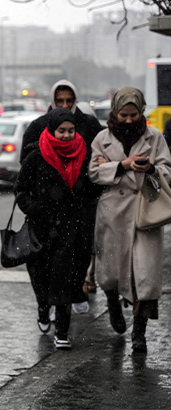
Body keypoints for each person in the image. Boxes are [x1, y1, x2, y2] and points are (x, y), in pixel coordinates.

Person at [89, 86, 171, 353]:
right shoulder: (102, 137)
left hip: (145, 213)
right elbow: (93, 173)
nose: (127, 120)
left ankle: (140, 333)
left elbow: (166, 170)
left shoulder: (155, 136)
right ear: (115, 112)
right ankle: (113, 301)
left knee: (145, 276)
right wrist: (123, 165)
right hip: (113, 213)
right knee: (110, 271)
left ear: (141, 112)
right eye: (123, 115)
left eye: (133, 115)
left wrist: (151, 168)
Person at [14, 108, 103, 350]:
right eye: (61, 130)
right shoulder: (36, 155)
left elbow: (92, 191)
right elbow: (21, 190)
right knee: (41, 278)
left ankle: (62, 332)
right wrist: (35, 209)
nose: (66, 135)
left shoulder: (84, 154)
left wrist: (100, 172)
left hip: (70, 229)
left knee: (65, 279)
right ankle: (43, 308)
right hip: (41, 230)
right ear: (51, 130)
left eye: (70, 131)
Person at [20, 79, 104, 310]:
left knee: (80, 252)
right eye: (60, 101)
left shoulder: (89, 125)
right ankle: (49, 303)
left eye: (69, 100)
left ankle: (75, 291)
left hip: (81, 205)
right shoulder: (38, 127)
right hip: (47, 209)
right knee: (46, 258)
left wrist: (89, 186)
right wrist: (36, 203)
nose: (65, 105)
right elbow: (25, 171)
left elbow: (100, 158)